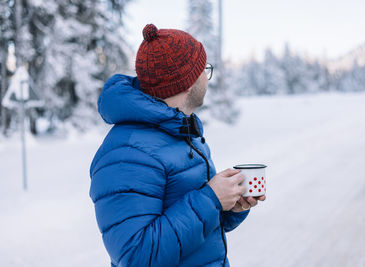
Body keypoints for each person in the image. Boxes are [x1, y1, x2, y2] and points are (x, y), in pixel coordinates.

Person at [89, 24, 266, 267]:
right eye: (203, 69)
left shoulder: (182, 131)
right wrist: (211, 199)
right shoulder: (127, 153)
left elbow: (192, 230)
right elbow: (136, 256)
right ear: (187, 83)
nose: (207, 76)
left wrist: (228, 206)